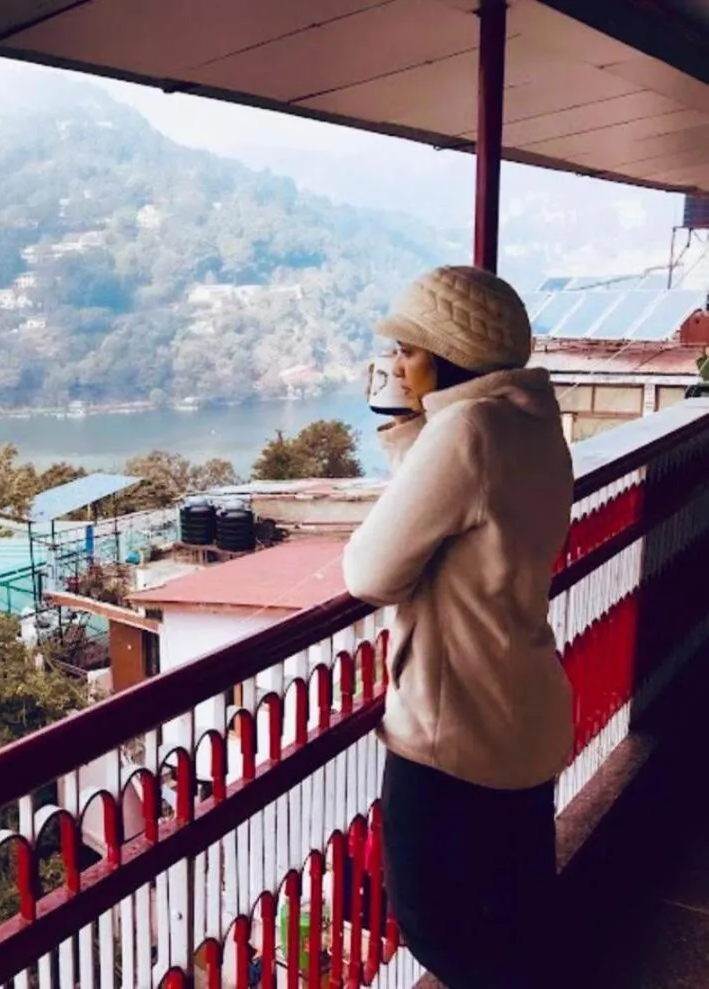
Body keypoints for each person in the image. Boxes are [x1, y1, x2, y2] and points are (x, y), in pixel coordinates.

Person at [342, 265, 574, 988]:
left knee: (437, 923)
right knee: (516, 912)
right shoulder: (530, 419)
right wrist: (412, 428)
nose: (397, 365)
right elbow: (461, 508)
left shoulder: (467, 429)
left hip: (454, 731)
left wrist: (419, 428)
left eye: (408, 350)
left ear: (446, 356)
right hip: (523, 709)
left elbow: (370, 572)